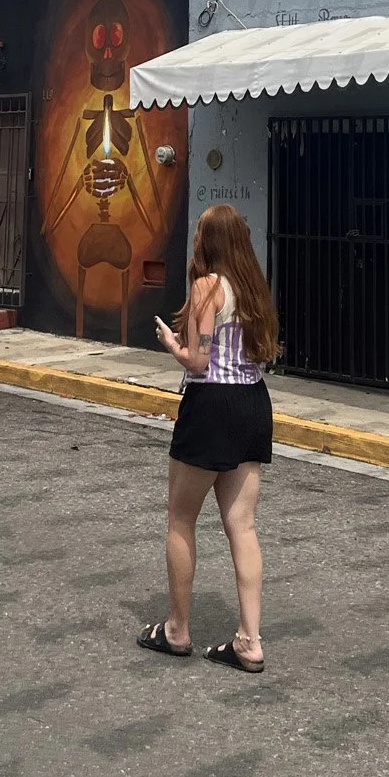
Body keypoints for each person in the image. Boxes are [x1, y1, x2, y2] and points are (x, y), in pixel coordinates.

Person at [139, 204, 279, 674]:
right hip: (253, 403)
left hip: (211, 405)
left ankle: (177, 629)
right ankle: (249, 641)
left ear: (208, 241)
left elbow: (198, 363)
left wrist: (171, 345)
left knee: (181, 518)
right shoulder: (254, 288)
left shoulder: (206, 287)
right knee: (243, 526)